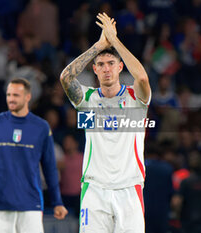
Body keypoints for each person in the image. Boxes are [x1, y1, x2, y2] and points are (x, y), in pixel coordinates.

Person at [60, 13, 151, 233]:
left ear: (120, 68)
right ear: (95, 69)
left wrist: (115, 41)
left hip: (129, 187)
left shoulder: (136, 99)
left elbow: (142, 78)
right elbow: (65, 78)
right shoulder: (87, 99)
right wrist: (99, 45)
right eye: (101, 64)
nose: (106, 68)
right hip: (95, 189)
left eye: (111, 63)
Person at [0, 78, 68, 233]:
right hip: (1, 205)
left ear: (27, 97)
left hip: (31, 205)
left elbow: (50, 168)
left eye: (16, 95)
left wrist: (57, 201)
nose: (11, 98)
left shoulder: (41, 127)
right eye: (8, 94)